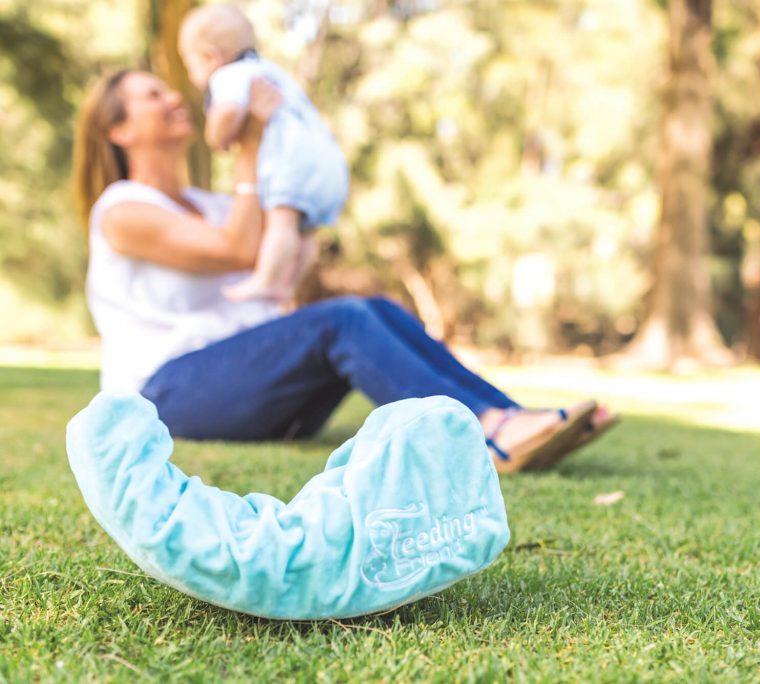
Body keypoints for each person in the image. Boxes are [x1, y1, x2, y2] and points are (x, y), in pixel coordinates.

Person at [70, 69, 618, 473]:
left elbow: (280, 270)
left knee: (374, 310)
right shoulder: (122, 211)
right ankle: (487, 432)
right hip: (169, 394)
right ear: (118, 131)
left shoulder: (211, 204)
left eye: (166, 87)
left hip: (248, 392)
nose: (174, 96)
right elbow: (239, 251)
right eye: (152, 94)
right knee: (342, 321)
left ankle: (510, 416)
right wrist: (252, 143)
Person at [179, 4, 348, 303]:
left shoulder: (230, 74)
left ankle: (269, 280)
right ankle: (289, 285)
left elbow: (227, 114)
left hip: (293, 164)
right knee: (304, 231)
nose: (192, 76)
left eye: (189, 64)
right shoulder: (272, 71)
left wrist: (216, 136)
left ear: (210, 56)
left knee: (281, 221)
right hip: (330, 163)